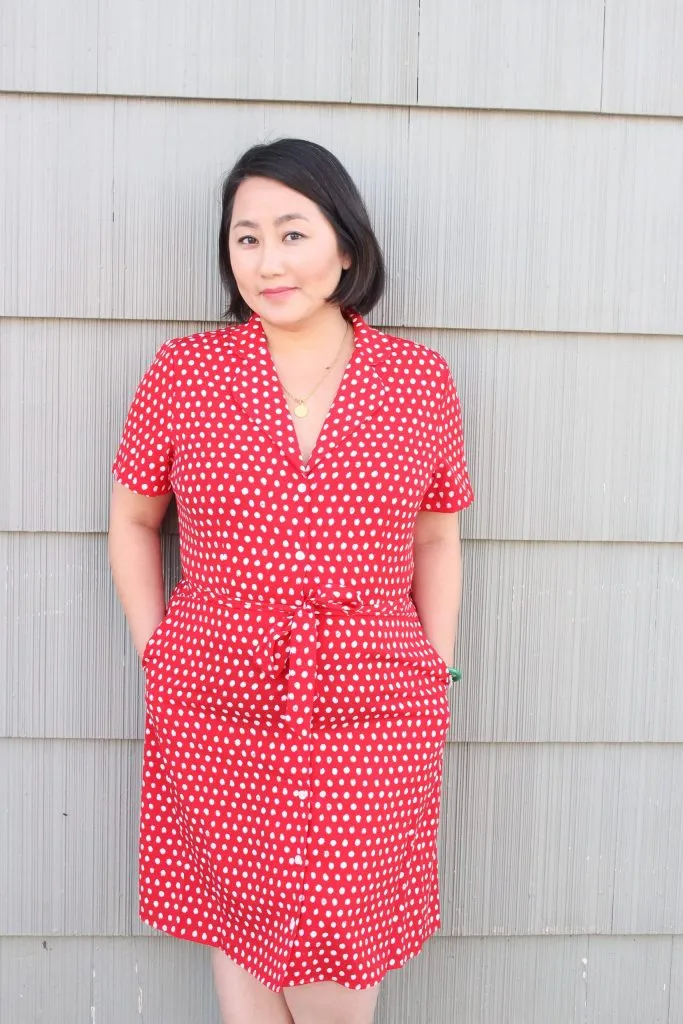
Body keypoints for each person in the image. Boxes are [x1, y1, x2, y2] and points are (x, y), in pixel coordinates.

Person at [108, 137, 474, 1024]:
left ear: (345, 246)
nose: (268, 262)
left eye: (292, 233)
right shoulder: (185, 375)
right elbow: (133, 523)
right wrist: (162, 655)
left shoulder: (417, 381)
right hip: (217, 702)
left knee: (338, 976)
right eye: (245, 239)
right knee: (241, 950)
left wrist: (433, 669)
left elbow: (435, 540)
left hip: (371, 707)